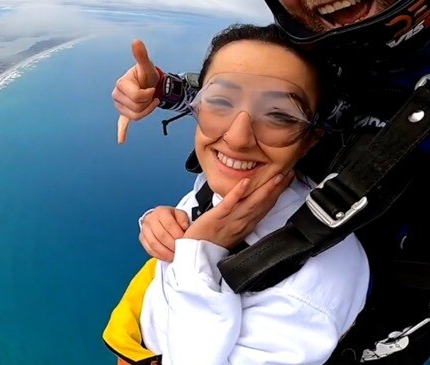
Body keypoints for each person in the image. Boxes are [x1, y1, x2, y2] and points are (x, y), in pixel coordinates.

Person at [110, 1, 430, 364]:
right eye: (218, 103)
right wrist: (169, 91)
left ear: (313, 135)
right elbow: (265, 85)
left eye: (279, 116)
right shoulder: (241, 190)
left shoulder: (306, 296)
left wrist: (196, 257)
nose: (238, 137)